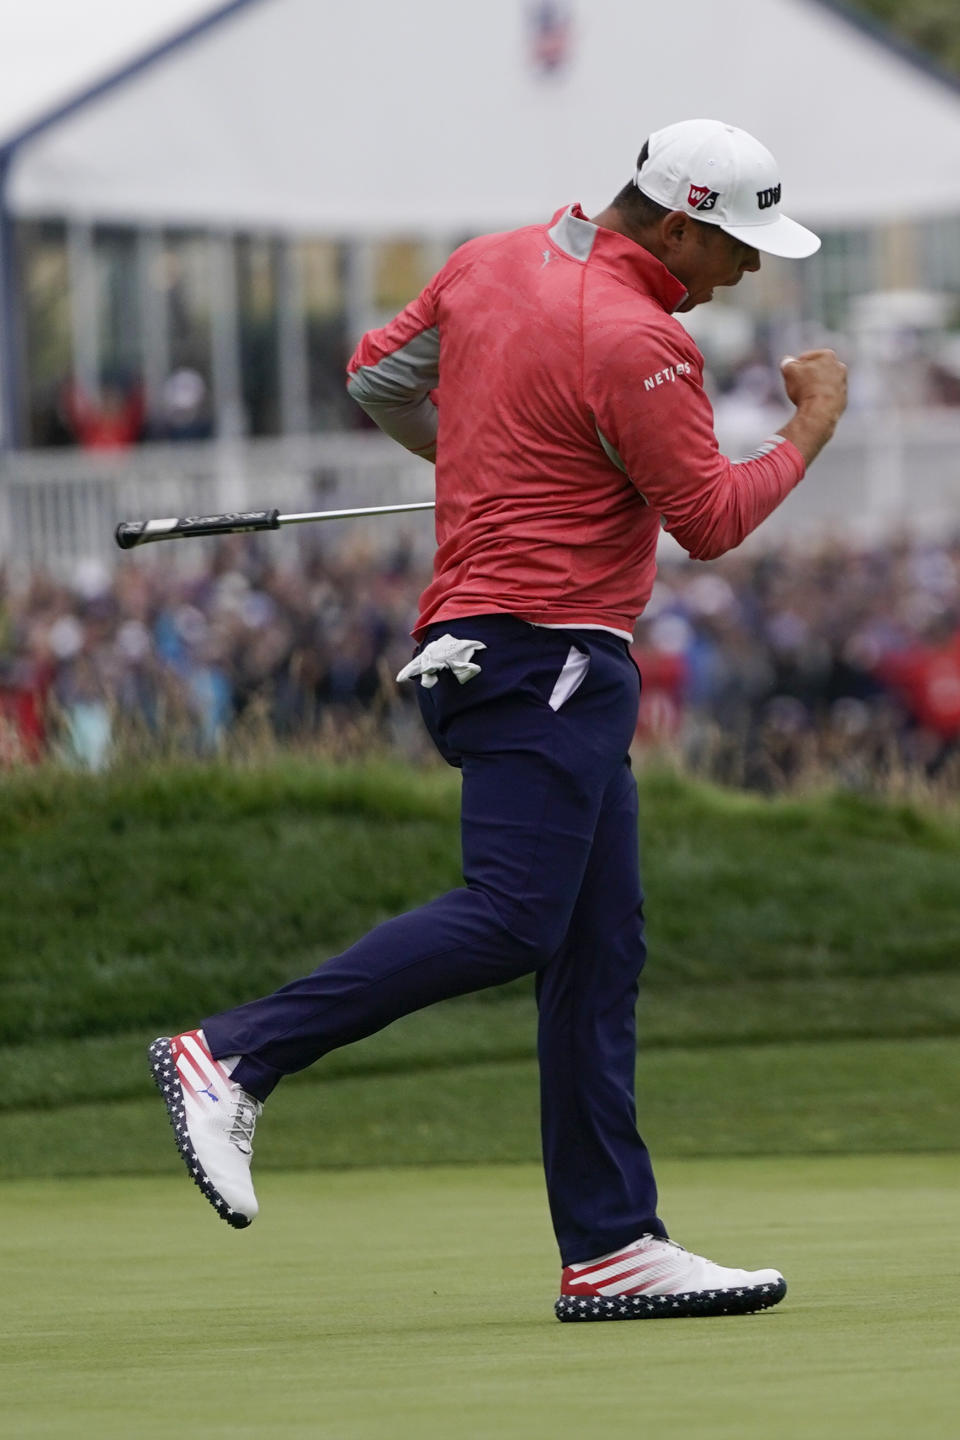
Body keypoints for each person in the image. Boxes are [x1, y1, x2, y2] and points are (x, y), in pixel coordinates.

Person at [150, 119, 847, 1322]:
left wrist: (496, 453)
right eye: (736, 246)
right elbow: (714, 520)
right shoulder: (645, 341)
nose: (746, 270)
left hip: (511, 651)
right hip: (546, 656)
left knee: (596, 947)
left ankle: (614, 1245)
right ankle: (235, 1055)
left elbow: (378, 375)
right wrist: (810, 428)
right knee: (517, 916)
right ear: (679, 222)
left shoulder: (490, 261)